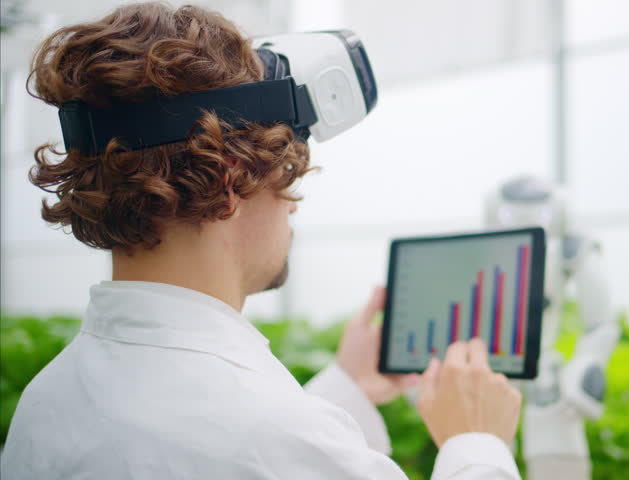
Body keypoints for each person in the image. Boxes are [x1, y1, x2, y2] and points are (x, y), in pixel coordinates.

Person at [0, 3, 523, 479]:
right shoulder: (271, 436)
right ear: (231, 176)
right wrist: (475, 440)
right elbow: (265, 442)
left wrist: (349, 386)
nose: (293, 205)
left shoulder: (48, 399)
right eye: (287, 175)